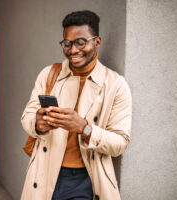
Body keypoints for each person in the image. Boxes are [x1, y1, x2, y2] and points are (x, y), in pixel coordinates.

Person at [21, 10, 132, 200]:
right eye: (67, 43)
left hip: (85, 180)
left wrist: (84, 128)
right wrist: (38, 124)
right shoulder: (49, 74)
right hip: (44, 172)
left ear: (97, 42)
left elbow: (120, 143)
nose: (72, 50)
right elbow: (27, 117)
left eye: (80, 42)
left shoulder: (115, 84)